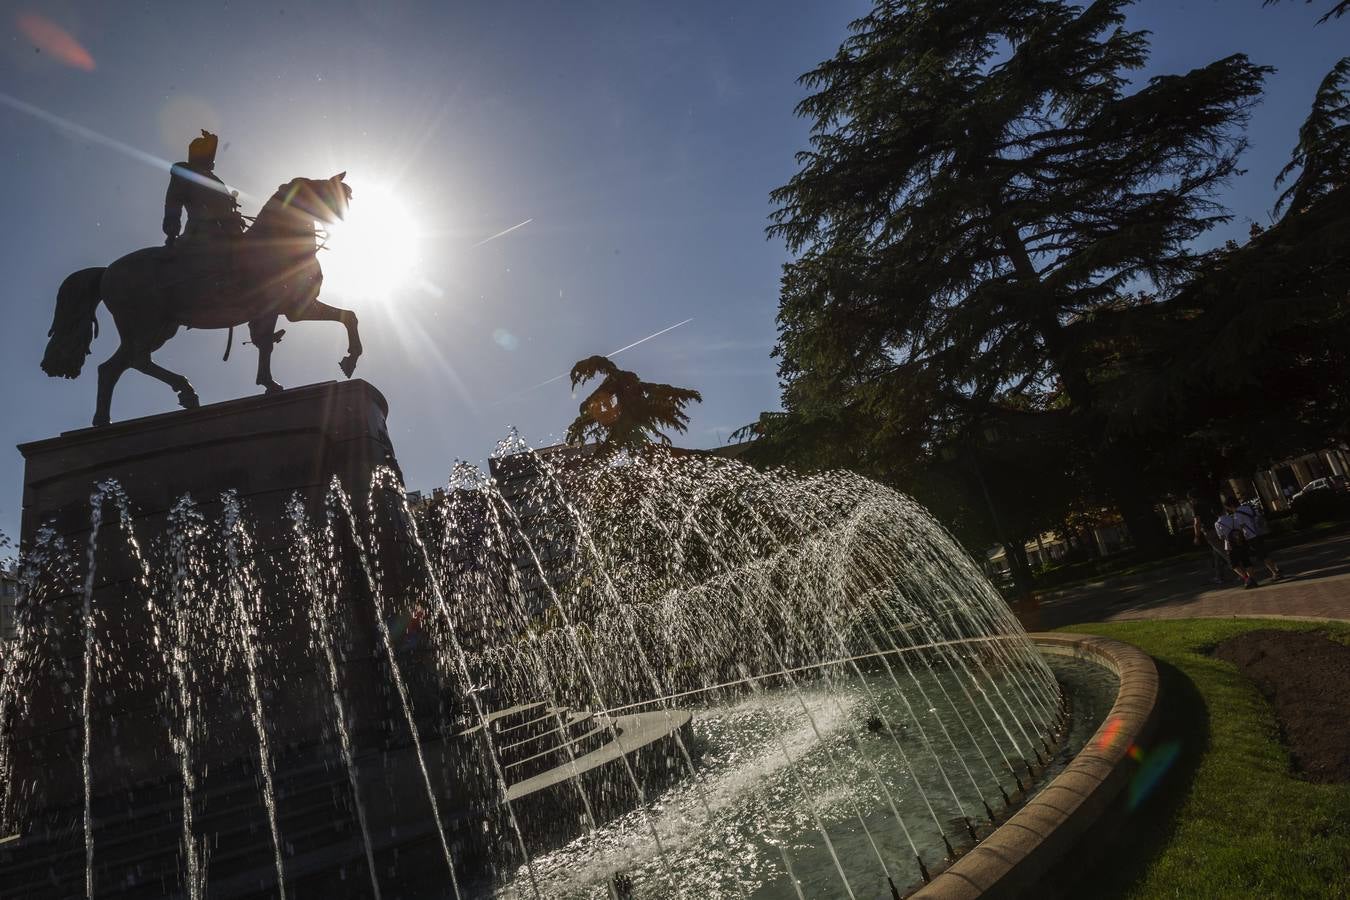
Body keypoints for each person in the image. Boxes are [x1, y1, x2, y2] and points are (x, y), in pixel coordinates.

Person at [162, 130, 244, 247]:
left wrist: (235, 221)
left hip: (227, 232)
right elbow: (173, 201)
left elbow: (225, 210)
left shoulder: (216, 181)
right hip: (200, 230)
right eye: (207, 153)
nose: (211, 159)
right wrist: (172, 230)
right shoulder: (185, 170)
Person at [1215, 494, 1260, 589]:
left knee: (1234, 564)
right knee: (1246, 561)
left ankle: (1247, 579)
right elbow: (1240, 527)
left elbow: (1221, 537)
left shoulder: (1217, 523)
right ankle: (1252, 579)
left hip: (1230, 545)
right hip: (1241, 541)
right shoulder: (1233, 517)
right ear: (1223, 510)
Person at [1232, 496, 1282, 581]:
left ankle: (1275, 573)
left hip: (1251, 536)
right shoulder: (1248, 508)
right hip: (1258, 532)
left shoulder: (1237, 514)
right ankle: (1276, 569)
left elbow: (1241, 527)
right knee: (1264, 553)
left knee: (1263, 555)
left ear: (1232, 505)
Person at [1189, 491, 1231, 586]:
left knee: (1224, 553)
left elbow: (1197, 522)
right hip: (1218, 528)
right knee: (1217, 554)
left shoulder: (1196, 506)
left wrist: (1196, 536)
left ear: (1192, 499)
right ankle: (1219, 576)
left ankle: (1244, 573)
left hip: (1209, 531)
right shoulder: (1208, 503)